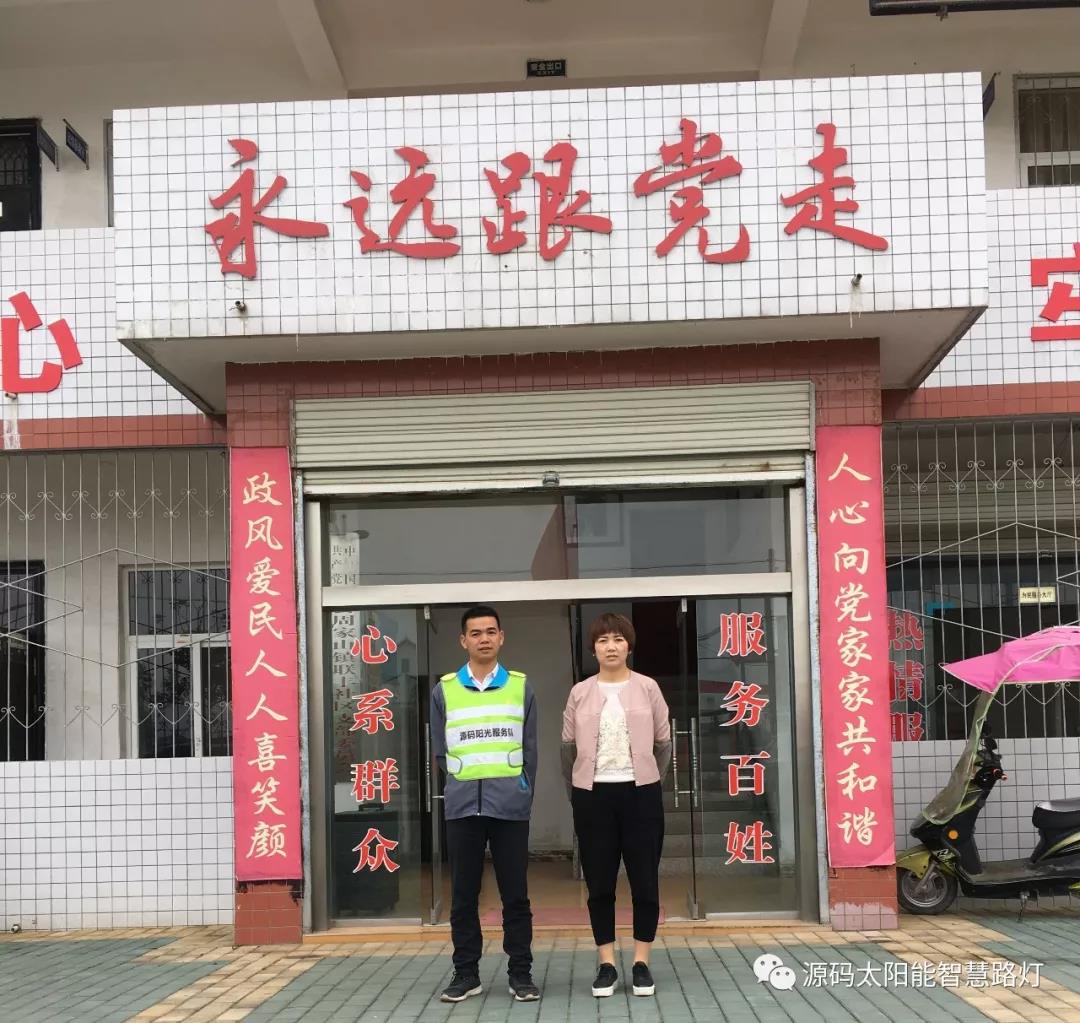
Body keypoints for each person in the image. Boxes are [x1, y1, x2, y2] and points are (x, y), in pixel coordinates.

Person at [430, 605, 540, 1003]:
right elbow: (440, 751)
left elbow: (530, 750)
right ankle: (466, 974)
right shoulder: (444, 690)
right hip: (463, 809)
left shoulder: (521, 687)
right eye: (475, 633)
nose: (484, 639)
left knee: (516, 895)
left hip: (510, 808)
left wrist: (522, 792)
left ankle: (521, 973)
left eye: (491, 631)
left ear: (501, 637)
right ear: (463, 640)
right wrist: (457, 789)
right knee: (463, 896)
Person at [561, 611, 671, 998]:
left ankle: (641, 963)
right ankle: (606, 963)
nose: (611, 646)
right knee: (599, 883)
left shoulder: (648, 687)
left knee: (645, 882)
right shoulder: (579, 692)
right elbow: (567, 749)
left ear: (629, 646)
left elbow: (663, 743)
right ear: (593, 648)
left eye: (618, 639)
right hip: (593, 797)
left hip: (641, 795)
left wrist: (648, 781)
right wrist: (579, 791)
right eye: (603, 640)